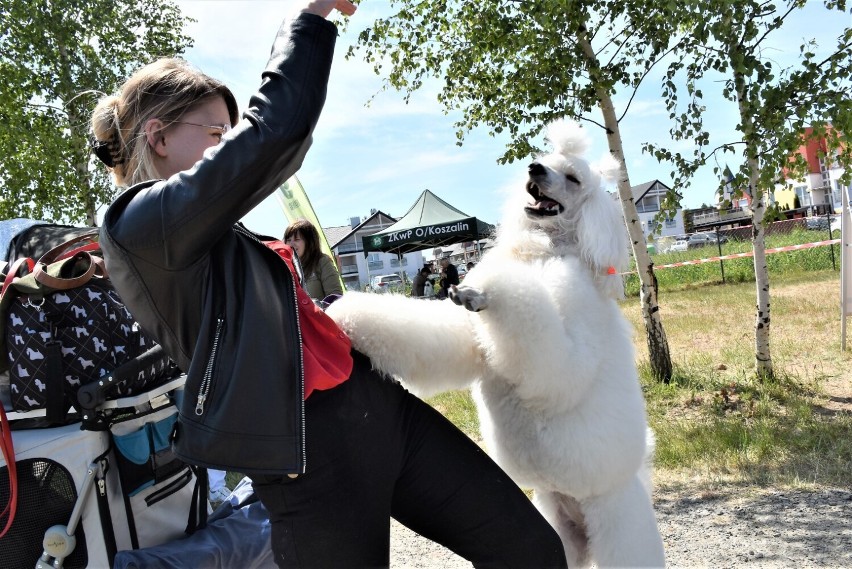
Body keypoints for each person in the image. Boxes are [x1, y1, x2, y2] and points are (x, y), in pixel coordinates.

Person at [93, 1, 566, 567]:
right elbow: (277, 132)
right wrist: (310, 17)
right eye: (216, 131)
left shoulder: (205, 227)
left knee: (531, 549)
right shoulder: (140, 225)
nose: (227, 144)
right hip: (309, 452)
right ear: (158, 136)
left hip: (377, 410)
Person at [284, 218, 343, 301]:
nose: (291, 244)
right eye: (288, 240)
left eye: (297, 239)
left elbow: (335, 297)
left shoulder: (322, 261)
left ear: (309, 242)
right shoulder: (284, 267)